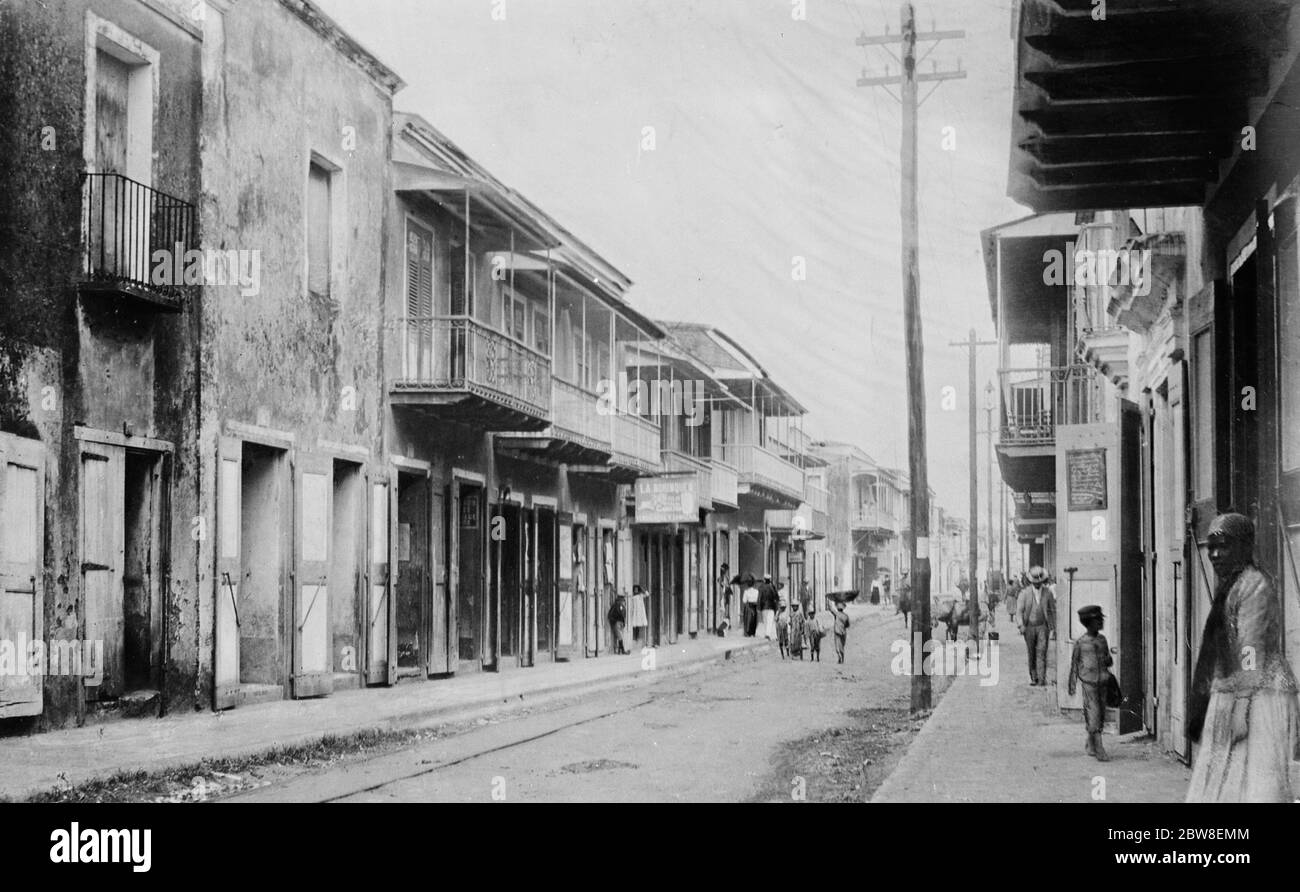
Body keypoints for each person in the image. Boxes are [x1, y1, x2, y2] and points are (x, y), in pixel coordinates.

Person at [1186, 514, 1300, 802]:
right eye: (1210, 548)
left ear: (1242, 546)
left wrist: (1242, 706)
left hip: (1259, 696)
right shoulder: (1232, 585)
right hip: (1234, 691)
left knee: (1256, 782)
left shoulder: (1254, 585)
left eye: (1221, 546)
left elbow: (1250, 649)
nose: (1213, 555)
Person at [1068, 604, 1113, 761]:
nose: (1101, 622)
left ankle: (1090, 742)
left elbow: (1108, 660)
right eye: (1098, 620)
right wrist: (1072, 684)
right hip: (1089, 683)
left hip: (1103, 681)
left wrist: (1107, 660)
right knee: (1093, 712)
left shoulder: (1102, 640)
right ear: (1089, 623)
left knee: (1100, 714)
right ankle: (1099, 747)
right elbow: (1074, 664)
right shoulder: (1081, 643)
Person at [1015, 566, 1056, 686]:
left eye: (1039, 582)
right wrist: (1021, 625)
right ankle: (1034, 677)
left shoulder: (1048, 593)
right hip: (1029, 628)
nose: (1037, 584)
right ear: (1031, 581)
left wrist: (1053, 628)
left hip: (1043, 626)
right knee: (1031, 652)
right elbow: (1019, 611)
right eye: (1035, 582)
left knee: (1042, 652)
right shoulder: (1024, 593)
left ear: (1043, 581)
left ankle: (1042, 678)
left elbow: (1052, 611)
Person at [758, 573, 780, 640]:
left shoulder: (761, 587)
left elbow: (759, 598)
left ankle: (766, 633)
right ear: (770, 579)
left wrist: (759, 607)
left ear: (764, 579)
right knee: (770, 621)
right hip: (771, 606)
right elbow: (777, 597)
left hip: (764, 606)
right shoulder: (772, 587)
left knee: (765, 620)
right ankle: (768, 634)